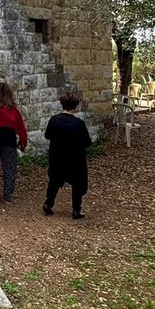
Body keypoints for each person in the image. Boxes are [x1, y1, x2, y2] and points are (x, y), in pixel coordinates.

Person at [43, 91, 92, 219]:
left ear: (62, 104)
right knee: (77, 184)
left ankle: (48, 204)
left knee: (54, 181)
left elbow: (47, 135)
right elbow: (87, 142)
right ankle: (76, 209)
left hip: (57, 157)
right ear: (75, 106)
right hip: (75, 159)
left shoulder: (54, 120)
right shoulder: (79, 124)